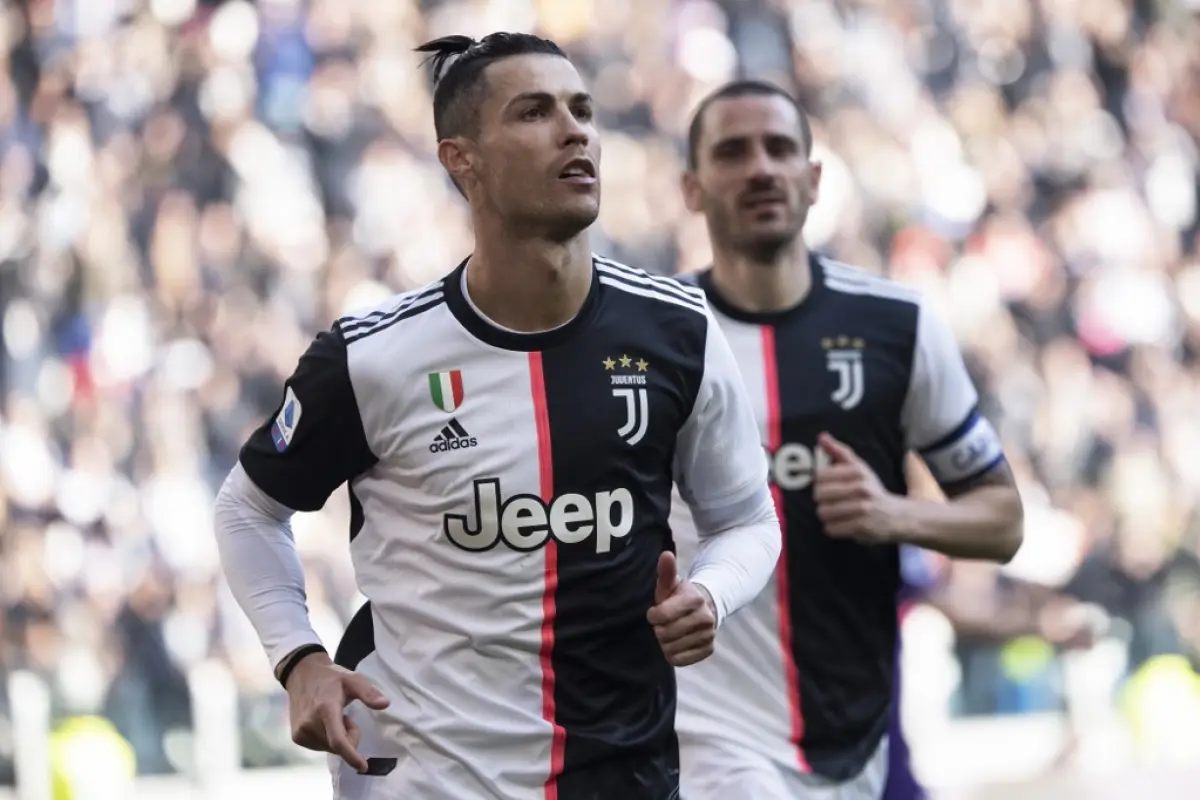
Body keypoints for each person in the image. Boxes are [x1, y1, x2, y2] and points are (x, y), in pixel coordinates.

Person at [212, 33, 782, 800]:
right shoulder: (372, 358)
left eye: (582, 109)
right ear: (462, 159)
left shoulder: (677, 332)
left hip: (622, 774)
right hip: (426, 778)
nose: (575, 129)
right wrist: (299, 658)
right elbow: (248, 510)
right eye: (534, 112)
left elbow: (748, 520)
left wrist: (710, 593)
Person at [669, 79, 1026, 800]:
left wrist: (894, 515)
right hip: (712, 734)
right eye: (733, 152)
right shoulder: (654, 335)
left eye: (780, 149)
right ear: (692, 189)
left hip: (861, 733)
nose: (761, 168)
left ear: (814, 178)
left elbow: (1003, 518)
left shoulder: (898, 326)